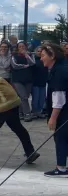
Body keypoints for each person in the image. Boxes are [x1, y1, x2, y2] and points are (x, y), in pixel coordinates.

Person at [39, 43, 68, 177]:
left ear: (53, 56)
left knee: (61, 138)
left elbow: (59, 96)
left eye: (43, 55)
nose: (41, 58)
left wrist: (53, 118)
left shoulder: (59, 71)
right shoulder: (60, 68)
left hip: (64, 113)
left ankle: (61, 168)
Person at [11, 42, 35, 120]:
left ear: (26, 47)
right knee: (23, 97)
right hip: (17, 79)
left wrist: (26, 56)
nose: (22, 48)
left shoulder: (31, 55)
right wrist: (24, 66)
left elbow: (32, 63)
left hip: (28, 79)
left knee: (24, 97)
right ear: (18, 48)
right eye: (20, 46)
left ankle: (20, 112)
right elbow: (14, 65)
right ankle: (27, 113)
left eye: (23, 46)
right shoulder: (14, 56)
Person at [31, 46, 48, 120]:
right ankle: (35, 112)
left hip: (43, 82)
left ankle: (39, 112)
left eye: (41, 51)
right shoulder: (33, 60)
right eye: (38, 51)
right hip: (35, 82)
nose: (40, 52)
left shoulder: (46, 60)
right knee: (35, 99)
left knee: (42, 99)